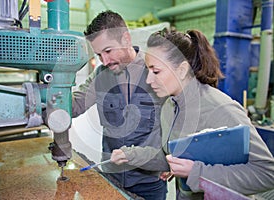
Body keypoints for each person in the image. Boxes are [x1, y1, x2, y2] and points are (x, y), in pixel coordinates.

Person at [111, 28, 274, 199]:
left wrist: (197, 173)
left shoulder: (220, 108)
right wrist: (131, 155)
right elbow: (171, 155)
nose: (148, 80)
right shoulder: (168, 106)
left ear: (181, 70)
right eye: (147, 70)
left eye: (156, 71)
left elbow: (267, 173)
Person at [72, 10, 169, 200]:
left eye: (108, 51)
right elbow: (76, 104)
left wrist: (171, 160)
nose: (104, 61)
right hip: (111, 178)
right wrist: (50, 101)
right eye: (99, 55)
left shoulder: (155, 73)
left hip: (149, 183)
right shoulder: (101, 76)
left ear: (125, 39)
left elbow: (176, 120)